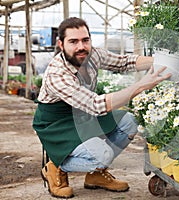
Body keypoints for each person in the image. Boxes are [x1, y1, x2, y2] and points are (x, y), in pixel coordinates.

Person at [32, 17, 171, 198]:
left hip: (82, 114)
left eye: (85, 40)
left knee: (129, 122)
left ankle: (95, 175)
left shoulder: (93, 55)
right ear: (60, 44)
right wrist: (143, 85)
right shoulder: (57, 73)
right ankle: (56, 165)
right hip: (57, 124)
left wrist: (162, 62)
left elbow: (125, 62)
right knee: (102, 155)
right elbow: (96, 105)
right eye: (73, 41)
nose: (81, 46)